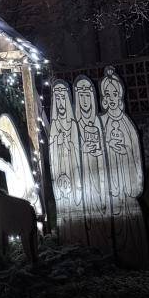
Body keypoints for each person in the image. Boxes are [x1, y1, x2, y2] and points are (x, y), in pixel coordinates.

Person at [99, 66, 149, 267]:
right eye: (107, 94)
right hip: (109, 184)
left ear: (120, 96)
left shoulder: (127, 124)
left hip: (126, 181)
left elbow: (135, 154)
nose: (111, 98)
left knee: (129, 222)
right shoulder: (101, 122)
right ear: (103, 98)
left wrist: (121, 149)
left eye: (115, 94)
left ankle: (134, 255)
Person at [73, 75, 111, 251]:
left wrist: (98, 151)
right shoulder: (73, 126)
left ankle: (104, 244)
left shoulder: (101, 123)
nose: (85, 100)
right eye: (80, 95)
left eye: (88, 94)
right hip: (82, 180)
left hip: (102, 178)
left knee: (103, 215)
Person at [48, 80, 86, 245]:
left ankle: (80, 236)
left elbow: (78, 150)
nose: (61, 103)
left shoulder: (73, 125)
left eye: (63, 98)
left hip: (73, 172)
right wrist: (57, 141)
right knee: (64, 210)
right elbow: (52, 153)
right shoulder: (54, 127)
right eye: (57, 99)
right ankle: (66, 236)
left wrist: (68, 144)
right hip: (60, 175)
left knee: (76, 207)